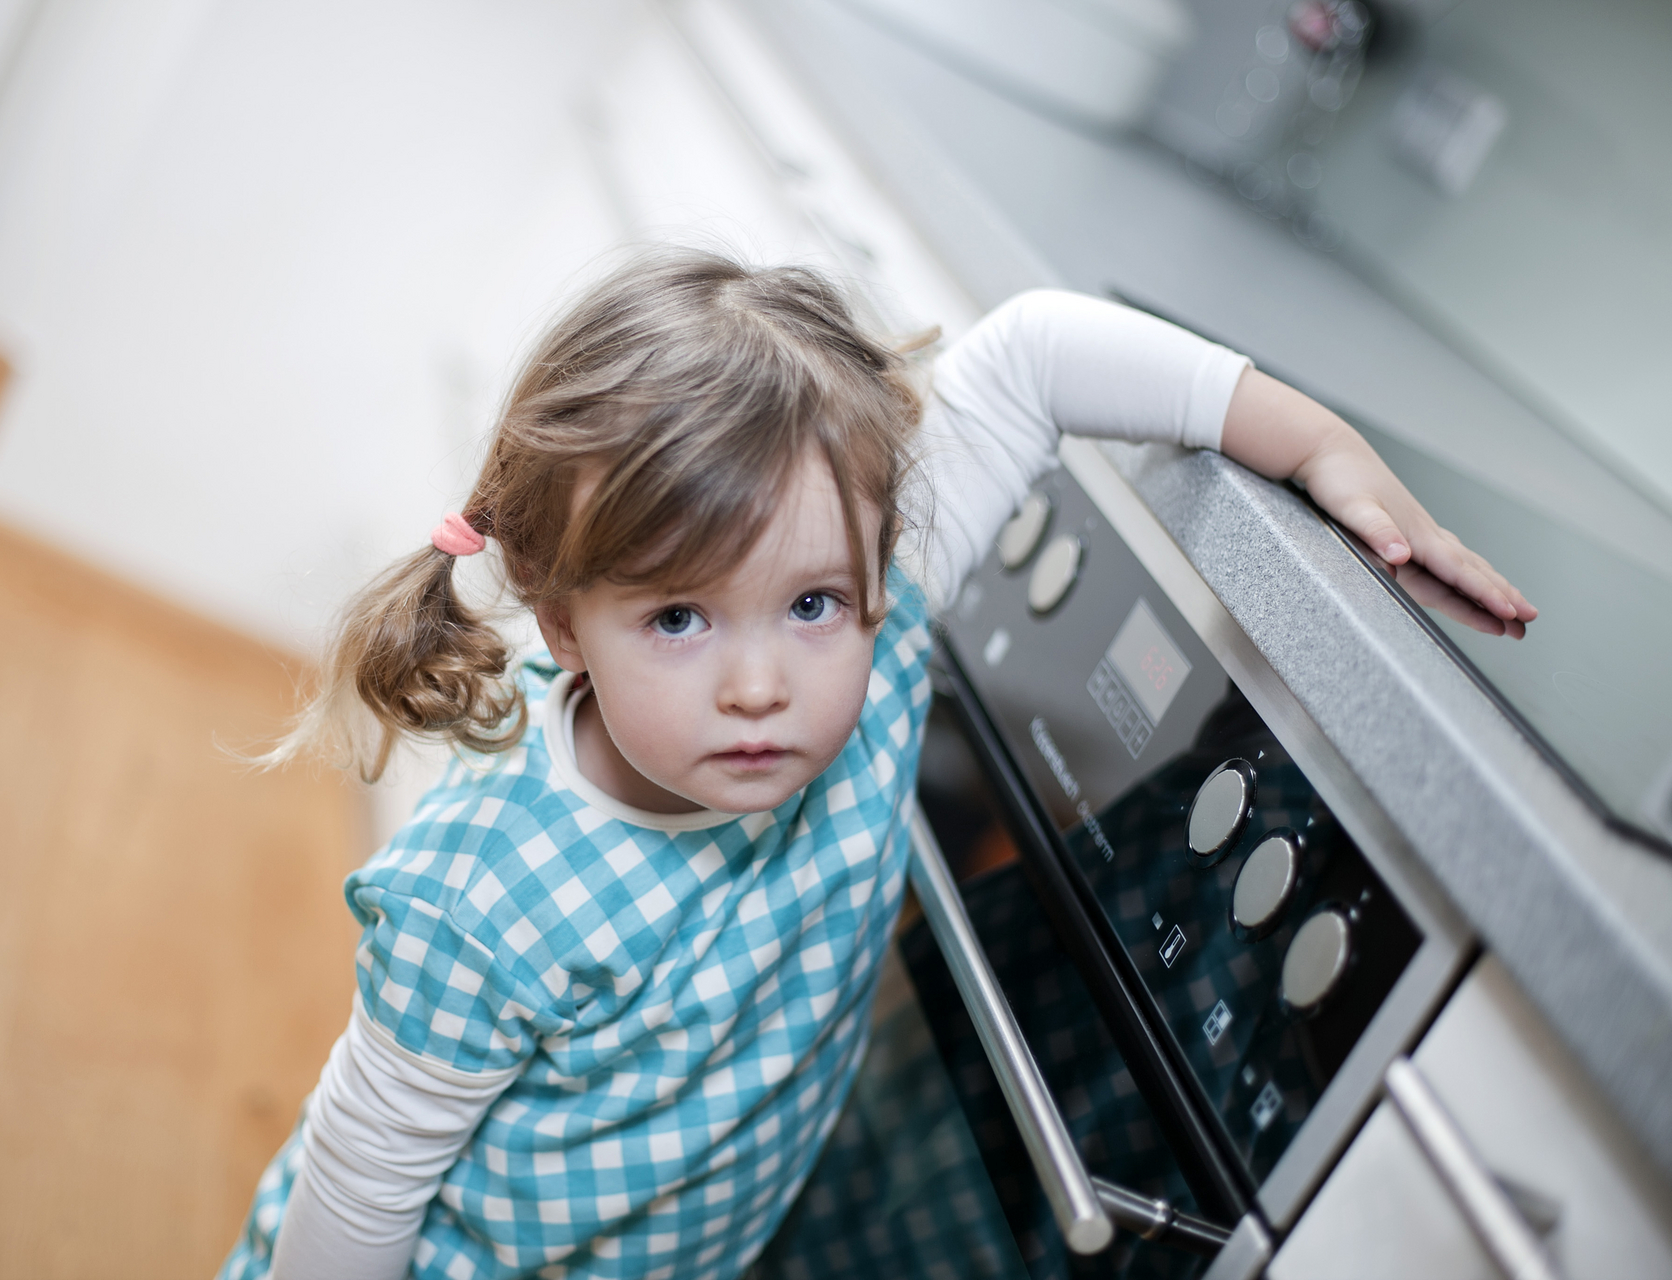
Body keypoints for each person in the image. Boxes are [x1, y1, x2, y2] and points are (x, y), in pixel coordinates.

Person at [219, 250, 1533, 1280]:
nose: (760, 682)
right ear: (561, 621)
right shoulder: (485, 899)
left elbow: (1033, 353)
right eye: (678, 619)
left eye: (808, 606)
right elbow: (357, 1191)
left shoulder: (879, 626)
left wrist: (1322, 447)